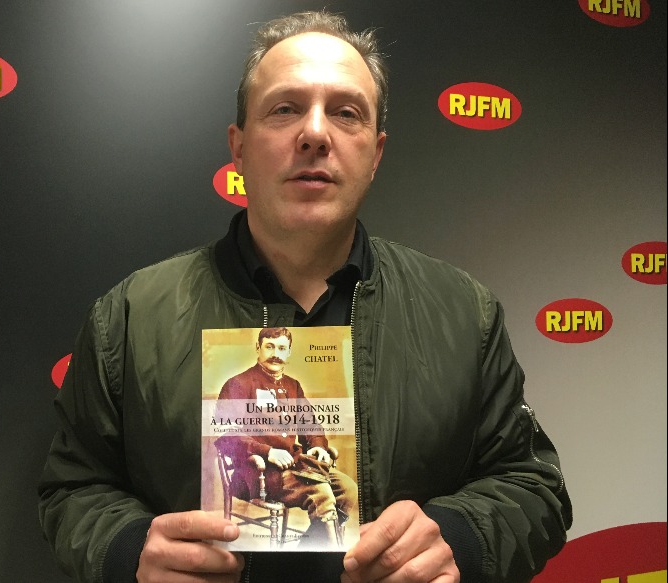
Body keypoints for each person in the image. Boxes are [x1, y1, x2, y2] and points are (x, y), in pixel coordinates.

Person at [38, 10, 572, 583]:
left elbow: (533, 487)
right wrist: (128, 551)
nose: (315, 133)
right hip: (258, 479)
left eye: (346, 113)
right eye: (285, 108)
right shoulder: (129, 317)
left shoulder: (465, 314)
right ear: (239, 147)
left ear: (376, 153)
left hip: (302, 476)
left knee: (327, 487)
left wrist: (459, 538)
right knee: (319, 495)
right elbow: (72, 488)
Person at [213, 327, 357, 549]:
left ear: (289, 351)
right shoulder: (239, 384)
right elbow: (227, 434)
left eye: (281, 348)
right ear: (258, 348)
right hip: (258, 472)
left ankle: (308, 550)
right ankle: (325, 558)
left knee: (347, 490)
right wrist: (267, 451)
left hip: (295, 466)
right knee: (321, 495)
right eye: (269, 347)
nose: (275, 354)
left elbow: (310, 424)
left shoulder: (293, 385)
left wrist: (318, 445)